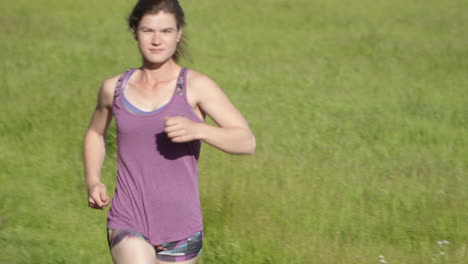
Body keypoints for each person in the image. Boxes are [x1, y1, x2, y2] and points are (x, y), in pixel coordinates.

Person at [82, 0, 256, 263]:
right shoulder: (114, 89)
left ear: (179, 34)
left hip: (182, 227)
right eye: (147, 30)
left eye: (165, 31)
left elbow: (246, 141)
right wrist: (93, 180)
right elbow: (95, 133)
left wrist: (199, 130)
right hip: (128, 218)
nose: (156, 40)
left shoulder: (197, 87)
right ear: (134, 31)